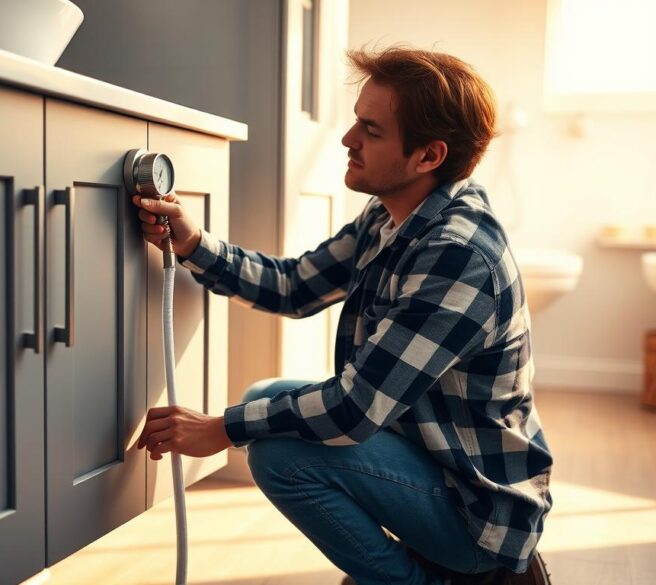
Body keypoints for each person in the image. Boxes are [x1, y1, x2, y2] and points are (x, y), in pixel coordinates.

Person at [132, 47, 553, 585]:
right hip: (433, 459)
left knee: (279, 455)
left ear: (428, 156)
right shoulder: (394, 215)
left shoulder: (458, 255)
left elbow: (354, 408)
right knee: (265, 398)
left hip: (479, 515)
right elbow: (293, 286)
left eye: (371, 130)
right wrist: (194, 243)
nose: (347, 139)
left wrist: (221, 429)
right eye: (357, 120)